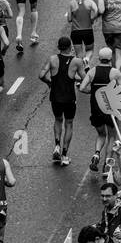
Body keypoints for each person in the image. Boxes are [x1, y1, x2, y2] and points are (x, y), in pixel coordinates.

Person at [40, 36, 84, 166]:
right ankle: (64, 155)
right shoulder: (76, 61)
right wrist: (76, 78)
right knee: (69, 123)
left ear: (59, 47)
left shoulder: (52, 59)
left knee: (58, 119)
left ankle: (57, 145)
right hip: (69, 98)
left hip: (55, 97)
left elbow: (41, 75)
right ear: (70, 47)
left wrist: (49, 83)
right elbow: (85, 79)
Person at [81, 47, 121, 172]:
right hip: (111, 108)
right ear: (111, 58)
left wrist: (92, 91)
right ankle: (107, 164)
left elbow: (81, 87)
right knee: (112, 135)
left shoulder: (92, 71)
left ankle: (96, 153)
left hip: (96, 108)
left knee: (101, 133)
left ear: (99, 58)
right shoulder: (115, 72)